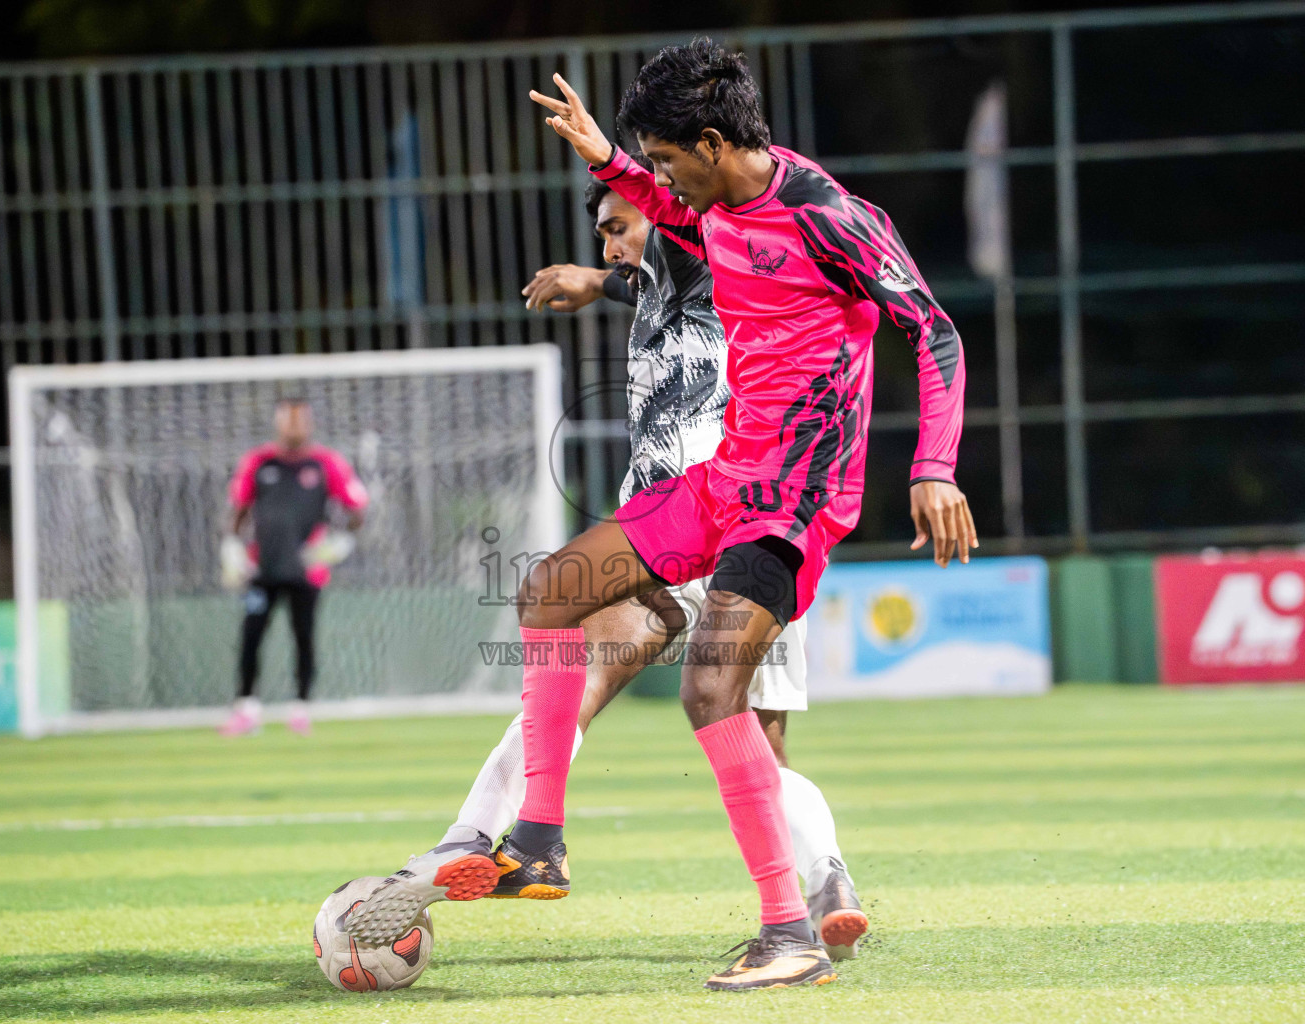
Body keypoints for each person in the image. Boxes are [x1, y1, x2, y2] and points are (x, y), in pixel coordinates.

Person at [350, 39, 977, 991]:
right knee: (552, 591)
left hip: (795, 497)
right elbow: (660, 233)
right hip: (723, 479)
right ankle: (538, 844)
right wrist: (606, 157)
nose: (661, 180)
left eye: (670, 159)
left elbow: (932, 327)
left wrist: (934, 466)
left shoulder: (831, 219)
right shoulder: (717, 209)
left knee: (711, 695)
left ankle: (790, 932)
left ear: (716, 144)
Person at [219, 397, 368, 736]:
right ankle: (246, 708)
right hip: (261, 568)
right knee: (251, 637)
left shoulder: (327, 463)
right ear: (277, 422)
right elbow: (238, 511)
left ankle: (300, 709)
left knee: (304, 637)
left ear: (310, 423)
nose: (294, 426)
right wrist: (231, 547)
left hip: (306, 570)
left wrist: (339, 542)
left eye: (300, 419)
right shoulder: (258, 462)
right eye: (288, 419)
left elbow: (356, 510)